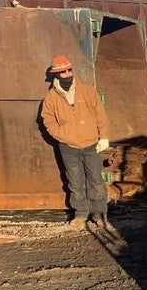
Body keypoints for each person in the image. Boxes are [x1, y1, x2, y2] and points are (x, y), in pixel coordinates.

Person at [39, 54, 110, 229]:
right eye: (63, 71)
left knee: (96, 181)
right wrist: (60, 135)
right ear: (57, 74)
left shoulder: (87, 91)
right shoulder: (51, 98)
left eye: (69, 70)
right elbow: (47, 119)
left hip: (91, 144)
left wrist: (104, 136)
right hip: (68, 147)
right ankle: (81, 214)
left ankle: (99, 215)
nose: (67, 73)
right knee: (75, 182)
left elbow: (100, 115)